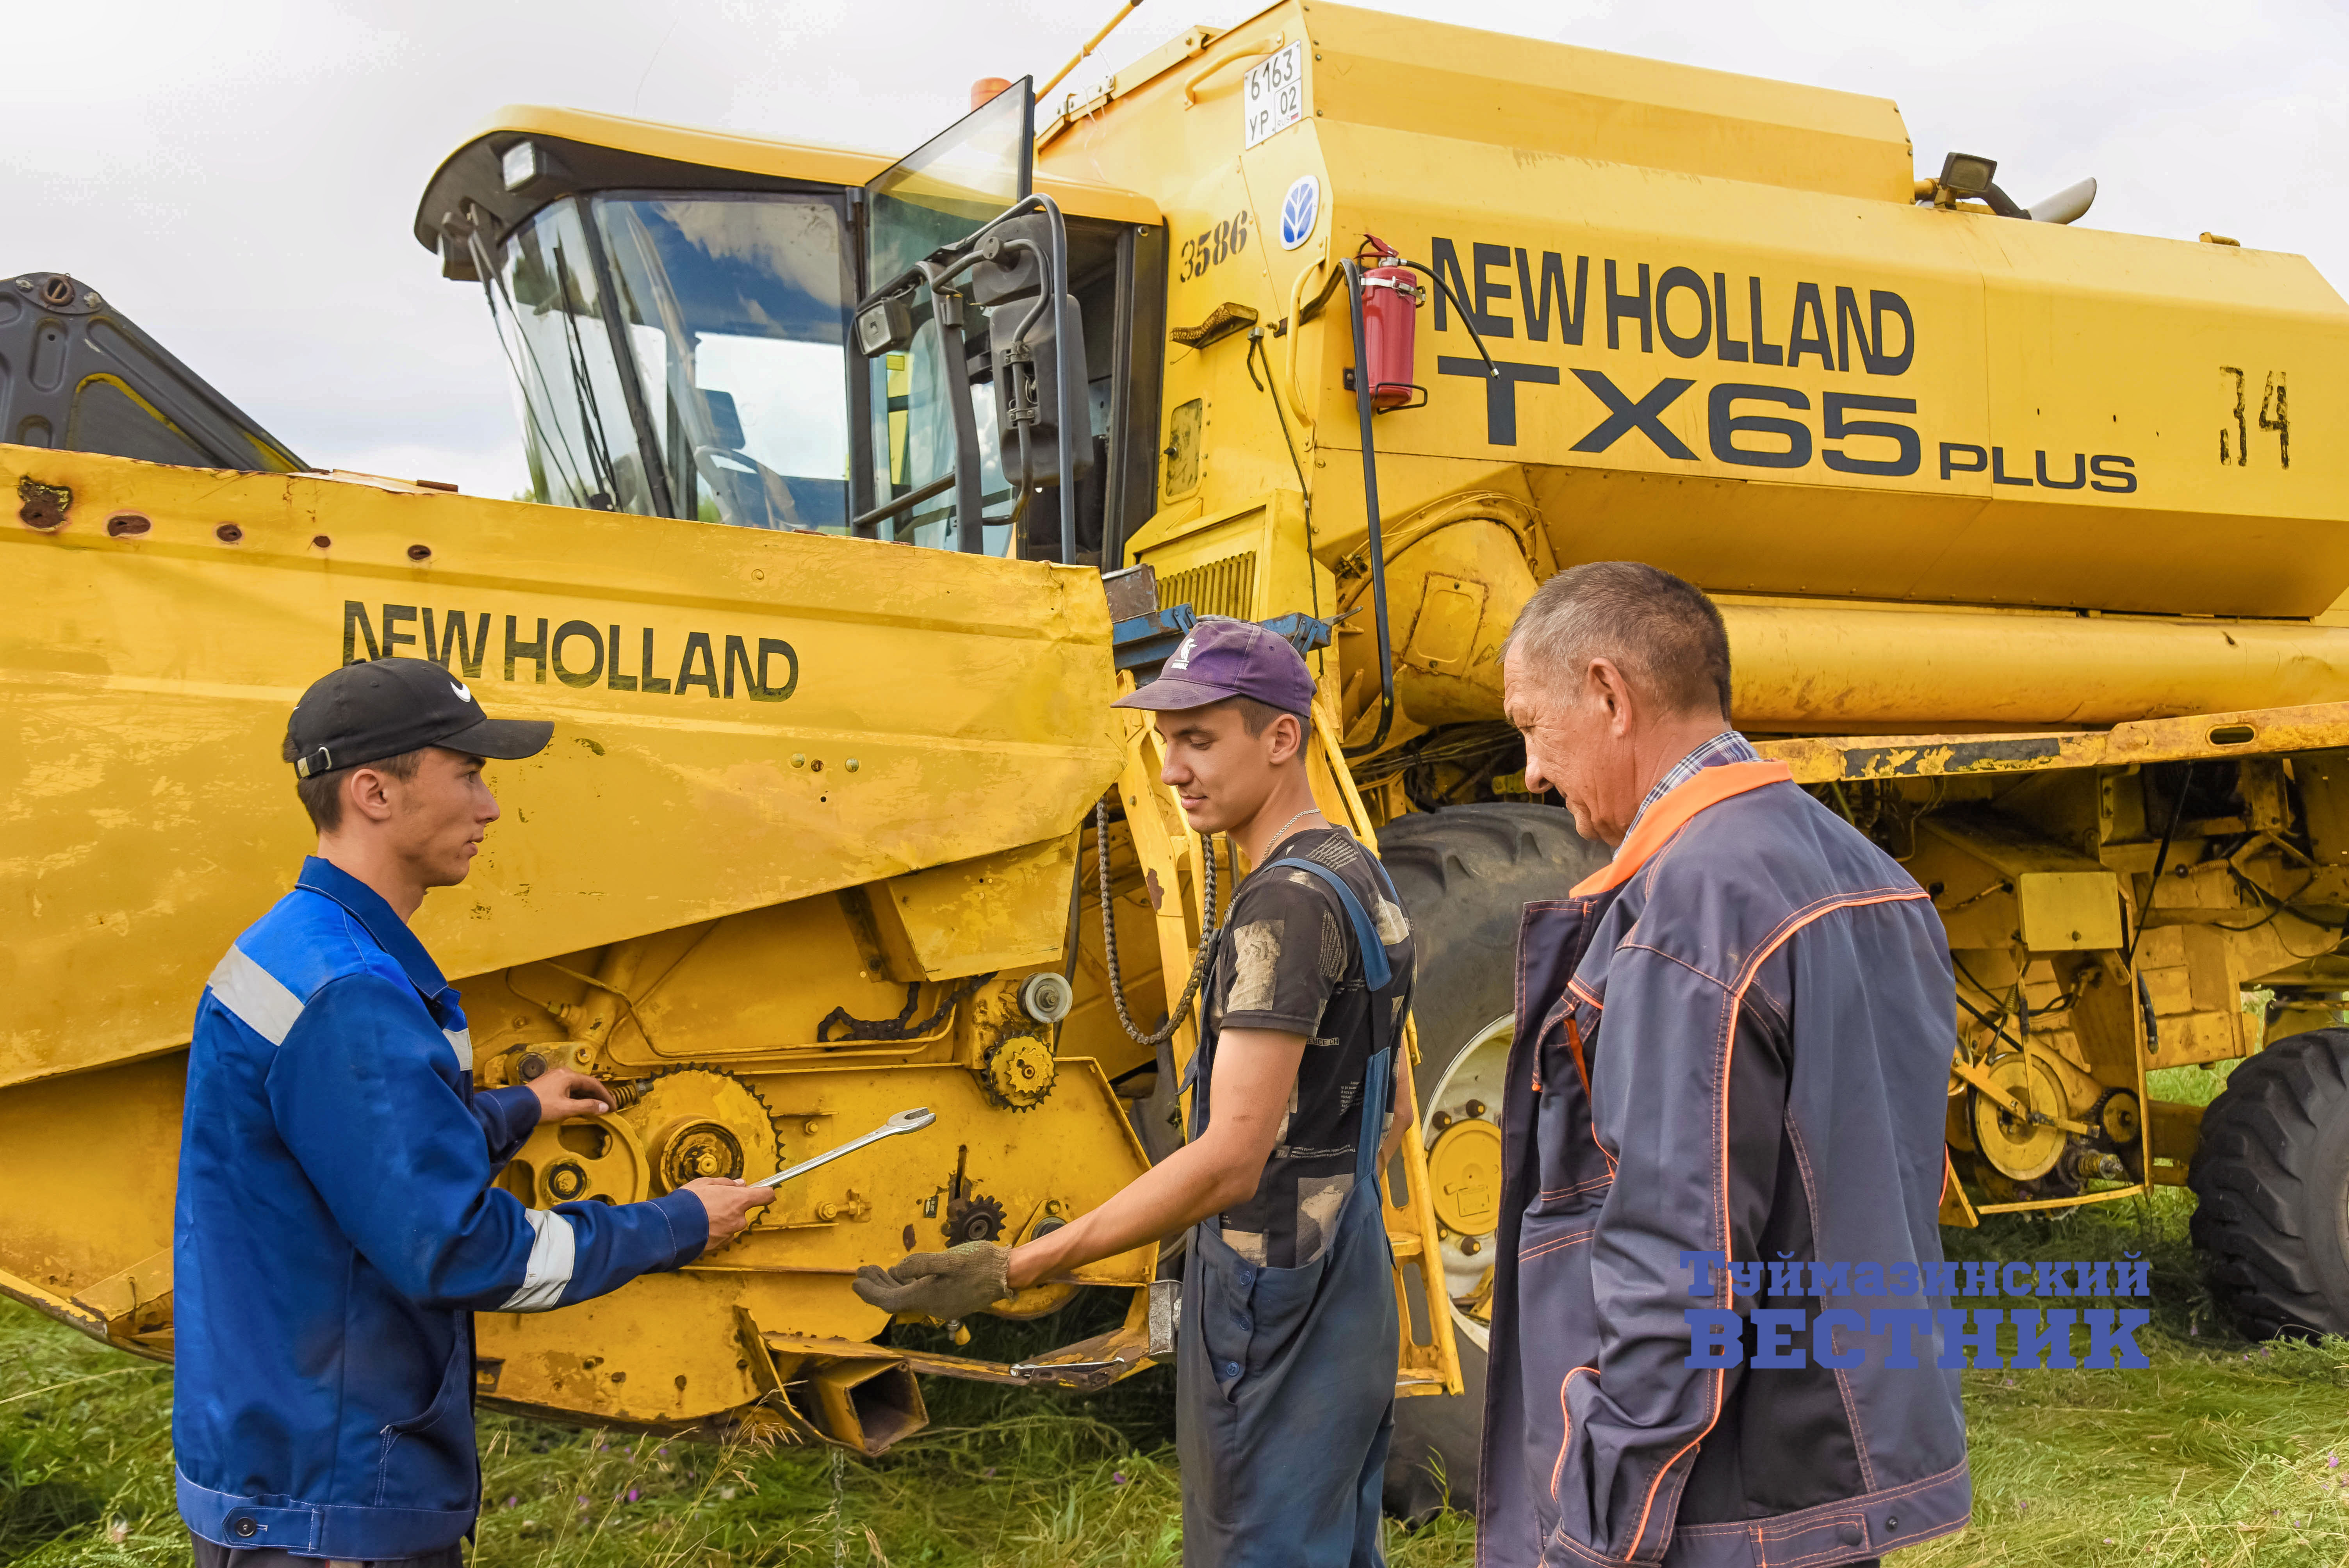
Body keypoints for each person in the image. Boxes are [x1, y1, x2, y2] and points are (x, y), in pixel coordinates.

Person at [174, 657, 773, 1567]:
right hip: (335, 1505)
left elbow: (346, 1148)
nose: (490, 806)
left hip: (281, 1457)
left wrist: (510, 1111)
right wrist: (678, 1223)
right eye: (467, 773)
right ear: (374, 792)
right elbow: (456, 1251)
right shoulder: (354, 993)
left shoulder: (299, 944)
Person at [853, 617, 1415, 1567]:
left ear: (1281, 738)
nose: (1170, 772)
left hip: (1267, 1287)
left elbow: (1232, 1159)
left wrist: (1020, 1266)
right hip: (1348, 1267)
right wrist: (1318, 1207)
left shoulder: (1282, 903)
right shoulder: (1357, 871)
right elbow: (1391, 1107)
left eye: (1198, 740)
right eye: (1165, 743)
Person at [1479, 563, 1969, 1568]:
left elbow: (1676, 1263)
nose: (1529, 769)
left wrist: (1597, 1522)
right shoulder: (1872, 874)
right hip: (1824, 1469)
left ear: (1609, 695)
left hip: (1714, 1505)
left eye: (1532, 724)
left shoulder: (1690, 909)